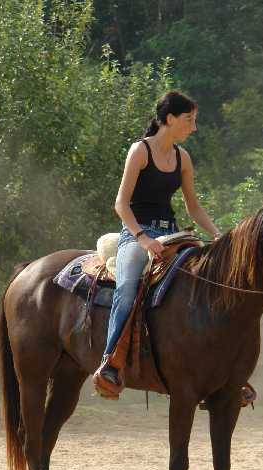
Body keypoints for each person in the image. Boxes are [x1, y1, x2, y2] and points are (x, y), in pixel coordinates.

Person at [94, 91, 222, 390]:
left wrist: (217, 235)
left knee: (209, 282)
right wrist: (142, 239)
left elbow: (193, 207)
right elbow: (121, 204)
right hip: (136, 234)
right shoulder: (140, 151)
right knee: (127, 289)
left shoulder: (183, 158)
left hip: (173, 234)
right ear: (170, 119)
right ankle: (110, 363)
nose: (194, 127)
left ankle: (219, 367)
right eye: (189, 120)